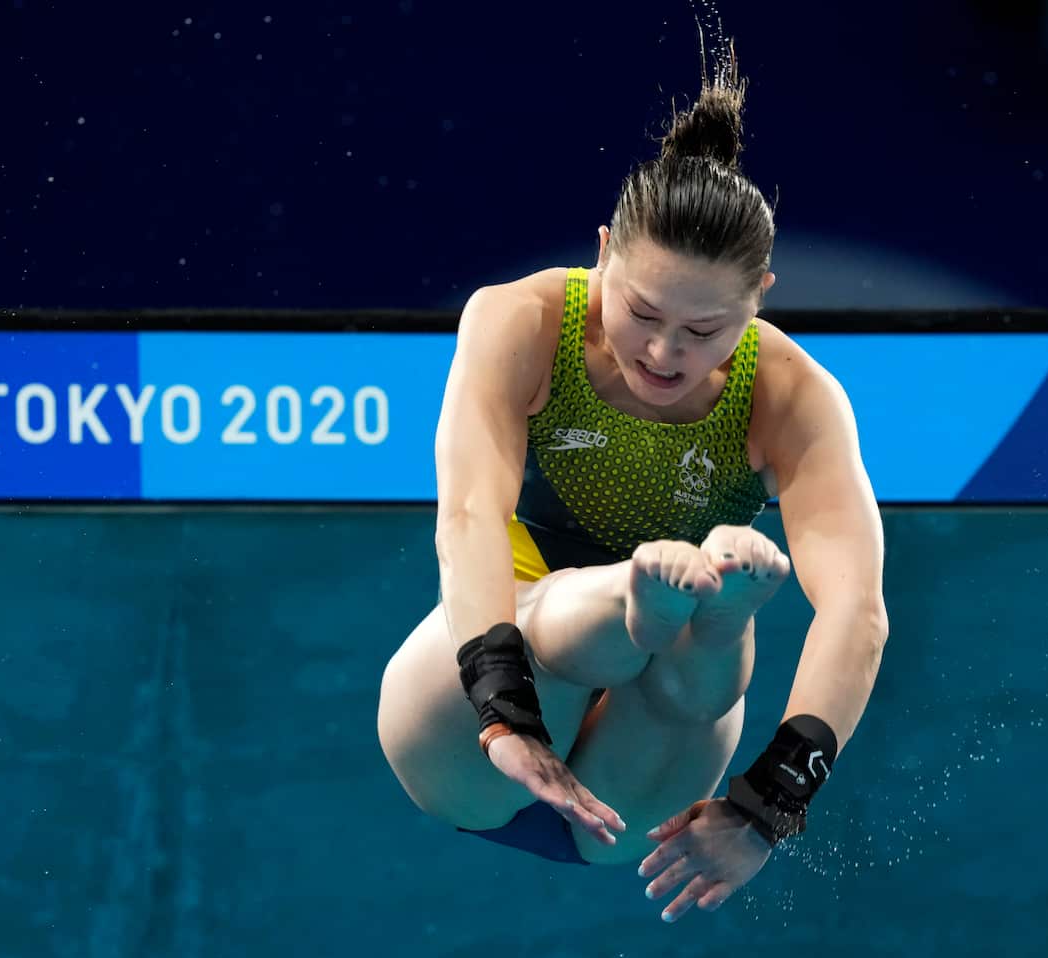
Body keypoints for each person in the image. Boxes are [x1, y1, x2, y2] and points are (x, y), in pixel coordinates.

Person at [377, 46, 887, 922]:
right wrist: (503, 716)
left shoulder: (793, 396)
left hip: (638, 782)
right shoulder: (523, 319)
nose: (663, 352)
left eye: (705, 330)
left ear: (760, 297)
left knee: (700, 679)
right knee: (566, 620)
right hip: (486, 703)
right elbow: (468, 512)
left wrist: (770, 807)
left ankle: (689, 611)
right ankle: (647, 600)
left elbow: (857, 612)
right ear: (604, 252)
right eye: (642, 312)